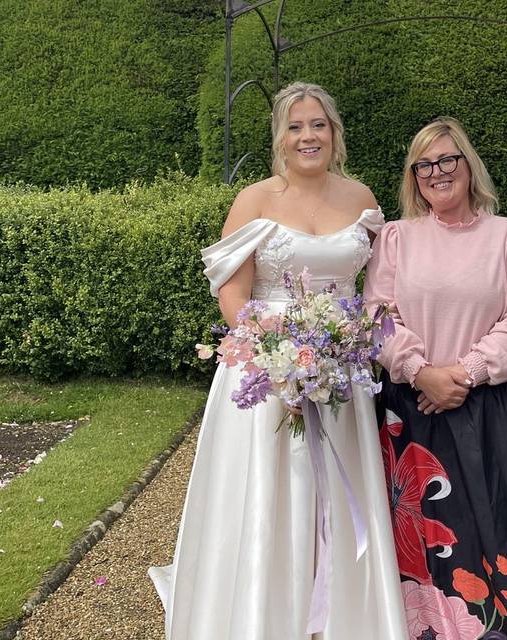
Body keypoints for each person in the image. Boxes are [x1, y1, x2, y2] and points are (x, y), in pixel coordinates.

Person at [148, 82, 407, 639]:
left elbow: (377, 290)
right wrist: (275, 355)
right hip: (265, 374)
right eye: (296, 126)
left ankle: (341, 614)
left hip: (340, 372)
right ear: (279, 138)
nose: (308, 135)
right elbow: (234, 296)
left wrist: (342, 344)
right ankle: (263, 613)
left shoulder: (362, 198)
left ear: (335, 133)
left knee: (339, 493)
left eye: (318, 124)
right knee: (271, 490)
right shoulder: (255, 200)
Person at [364, 117, 507, 639]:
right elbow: (377, 315)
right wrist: (420, 373)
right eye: (424, 164)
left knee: (501, 525)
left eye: (447, 159)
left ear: (469, 166)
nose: (437, 172)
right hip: (413, 411)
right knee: (428, 540)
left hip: (493, 407)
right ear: (413, 176)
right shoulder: (395, 239)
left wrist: (464, 374)